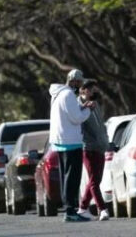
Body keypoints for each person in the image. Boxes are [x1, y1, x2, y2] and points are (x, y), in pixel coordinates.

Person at [49, 69, 93, 222]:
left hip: (61, 141)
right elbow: (76, 118)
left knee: (66, 177)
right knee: (72, 178)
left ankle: (69, 209)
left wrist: (81, 107)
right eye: (80, 83)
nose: (81, 87)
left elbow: (69, 114)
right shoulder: (68, 95)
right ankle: (70, 210)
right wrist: (88, 109)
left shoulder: (59, 95)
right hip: (70, 142)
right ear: (74, 81)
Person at [77, 79, 110, 221]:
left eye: (94, 89)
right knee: (94, 181)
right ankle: (102, 209)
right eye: (90, 89)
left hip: (100, 147)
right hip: (88, 147)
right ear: (83, 90)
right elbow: (77, 120)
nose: (93, 91)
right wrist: (84, 108)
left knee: (95, 180)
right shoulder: (78, 105)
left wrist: (105, 139)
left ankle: (83, 208)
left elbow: (101, 124)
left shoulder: (96, 104)